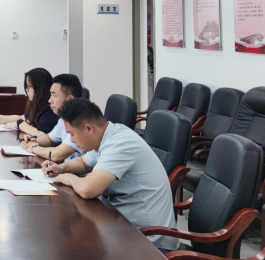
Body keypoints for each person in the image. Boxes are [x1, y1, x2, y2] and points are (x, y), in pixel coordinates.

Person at [42, 98, 177, 251]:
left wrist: (68, 177)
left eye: (72, 134)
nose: (72, 140)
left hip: (150, 241)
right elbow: (84, 163)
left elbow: (87, 189)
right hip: (123, 224)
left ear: (89, 129)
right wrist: (61, 168)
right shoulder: (108, 135)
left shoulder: (120, 143)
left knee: (80, 248)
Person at [20, 73, 83, 163]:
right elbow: (50, 139)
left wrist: (32, 147)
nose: (50, 100)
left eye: (54, 95)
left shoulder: (81, 122)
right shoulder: (64, 118)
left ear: (70, 99)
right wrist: (34, 140)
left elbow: (56, 155)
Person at [0, 68, 56, 134]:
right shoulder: (38, 106)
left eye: (29, 86)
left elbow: (41, 134)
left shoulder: (50, 110)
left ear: (40, 88)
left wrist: (20, 124)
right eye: (26, 86)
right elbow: (22, 118)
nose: (26, 90)